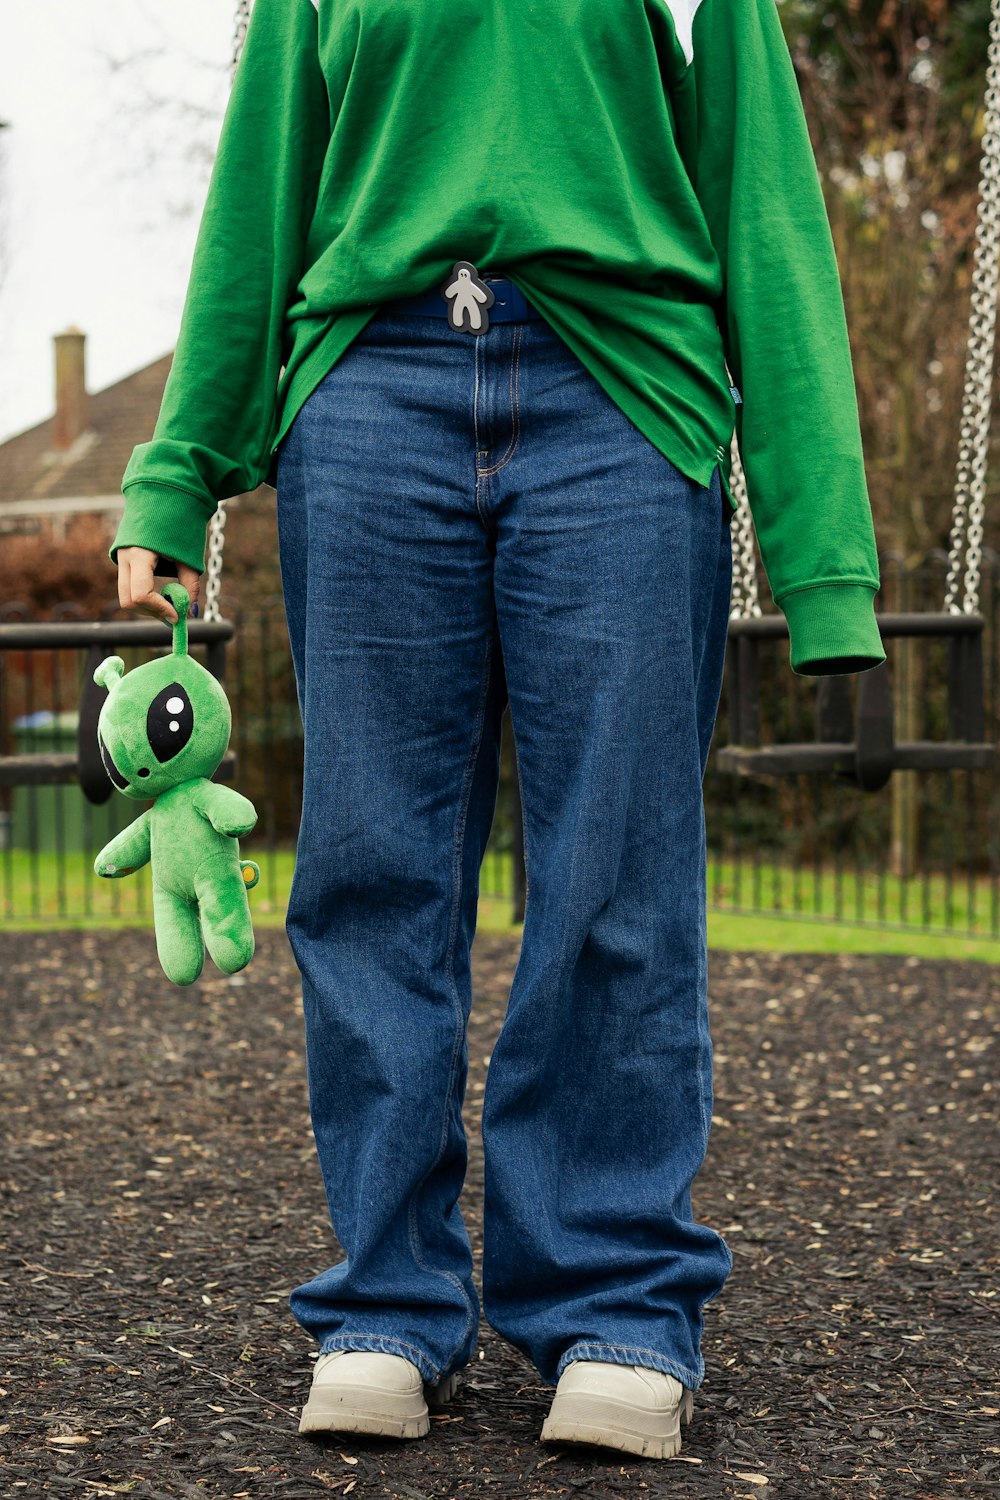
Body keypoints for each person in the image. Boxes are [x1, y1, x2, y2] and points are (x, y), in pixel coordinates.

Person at [110, 0, 886, 1462]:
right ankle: (389, 1307)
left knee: (612, 875)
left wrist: (821, 554)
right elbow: (261, 194)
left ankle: (617, 1303)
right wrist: (176, 472)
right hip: (370, 397)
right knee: (370, 867)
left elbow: (769, 217)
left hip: (624, 390)